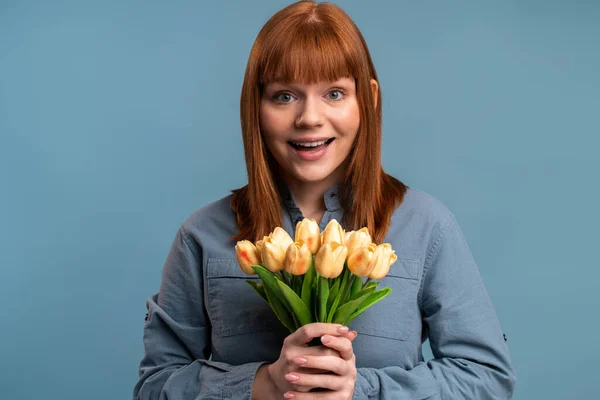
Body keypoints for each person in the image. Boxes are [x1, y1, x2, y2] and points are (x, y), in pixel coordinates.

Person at [133, 1, 516, 399]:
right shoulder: (202, 235)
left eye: (334, 93)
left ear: (367, 99)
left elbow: (486, 378)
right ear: (256, 106)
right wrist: (263, 383)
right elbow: (154, 386)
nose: (309, 118)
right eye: (284, 96)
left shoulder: (426, 226)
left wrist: (359, 390)